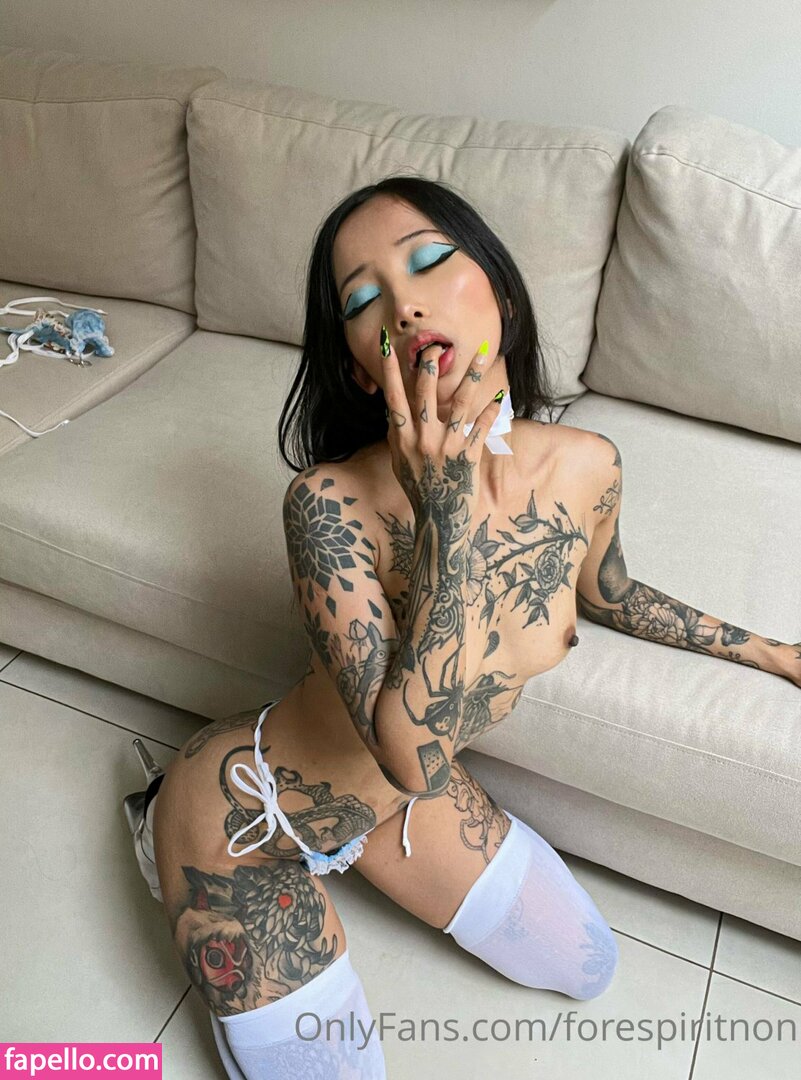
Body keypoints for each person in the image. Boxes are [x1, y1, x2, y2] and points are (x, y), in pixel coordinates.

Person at [124, 175, 624, 1080]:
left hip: (397, 804)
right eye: (363, 301)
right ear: (362, 367)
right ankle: (165, 815)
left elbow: (610, 590)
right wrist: (444, 512)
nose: (403, 305)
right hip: (250, 818)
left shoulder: (585, 465)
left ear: (503, 296)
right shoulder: (325, 501)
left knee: (591, 965)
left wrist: (769, 651)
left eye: (429, 260)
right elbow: (414, 759)